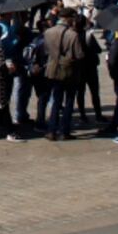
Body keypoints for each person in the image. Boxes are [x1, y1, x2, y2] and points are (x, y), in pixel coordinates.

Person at [41, 12, 83, 141]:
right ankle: (65, 131)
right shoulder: (73, 34)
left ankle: (51, 130)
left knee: (56, 100)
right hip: (69, 71)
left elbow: (46, 50)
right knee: (69, 100)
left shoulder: (48, 32)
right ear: (69, 19)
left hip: (52, 69)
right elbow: (79, 55)